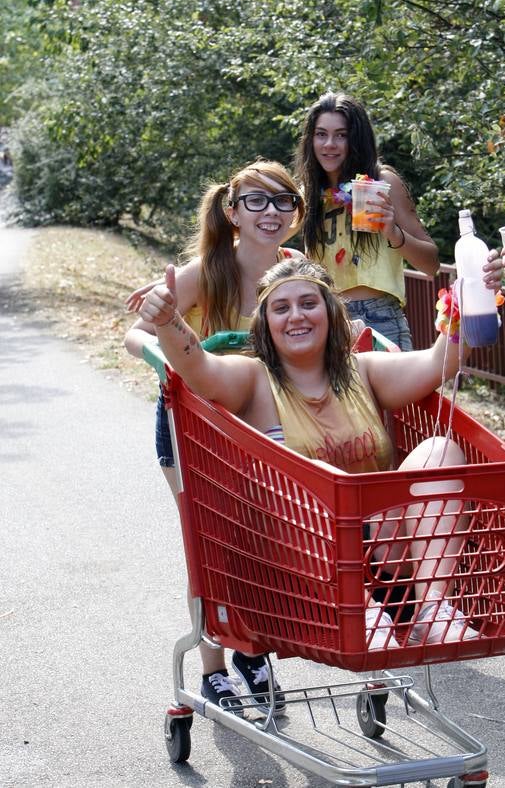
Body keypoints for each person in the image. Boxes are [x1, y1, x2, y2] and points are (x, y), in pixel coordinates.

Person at [137, 254, 505, 656]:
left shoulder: (362, 371)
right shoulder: (253, 380)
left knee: (441, 450)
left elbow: (440, 362)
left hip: (377, 561)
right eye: (281, 308)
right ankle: (359, 614)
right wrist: (168, 320)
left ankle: (432, 609)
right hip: (301, 575)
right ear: (266, 323)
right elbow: (198, 368)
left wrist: (471, 299)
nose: (296, 316)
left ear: (329, 312)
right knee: (294, 474)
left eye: (308, 304)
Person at [124, 159, 305, 714]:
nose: (270, 212)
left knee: (258, 544)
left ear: (296, 215)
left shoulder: (297, 268)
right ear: (232, 211)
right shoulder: (207, 272)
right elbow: (136, 331)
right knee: (208, 546)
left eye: (283, 201)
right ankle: (213, 670)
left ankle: (251, 649)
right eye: (256, 201)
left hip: (261, 421)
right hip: (194, 425)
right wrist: (165, 357)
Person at [294, 91, 439, 349]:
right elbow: (265, 238)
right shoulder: (308, 195)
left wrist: (393, 233)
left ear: (356, 140)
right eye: (321, 134)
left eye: (341, 135)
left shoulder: (383, 182)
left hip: (379, 318)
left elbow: (431, 264)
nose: (329, 144)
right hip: (326, 320)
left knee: (391, 392)